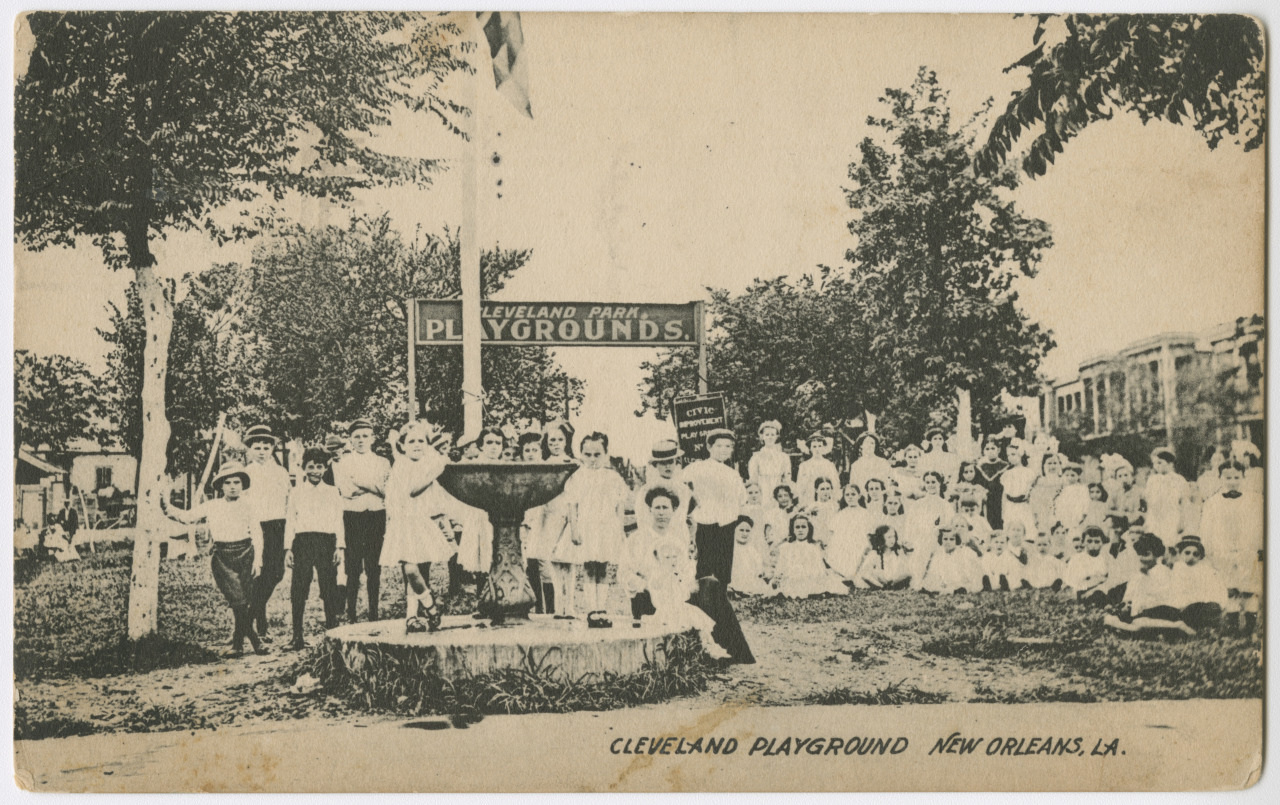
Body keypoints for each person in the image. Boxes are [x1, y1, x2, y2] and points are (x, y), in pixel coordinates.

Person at [160, 463, 266, 656]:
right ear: (220, 486)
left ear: (243, 485)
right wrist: (166, 506)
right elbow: (187, 517)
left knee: (245, 602)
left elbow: (257, 534)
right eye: (228, 482)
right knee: (238, 601)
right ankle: (252, 641)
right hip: (223, 557)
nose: (233, 486)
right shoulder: (212, 506)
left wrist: (258, 560)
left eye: (237, 482)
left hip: (246, 554)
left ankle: (239, 645)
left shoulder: (249, 506)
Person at [382, 420, 454, 634]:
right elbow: (413, 490)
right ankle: (431, 607)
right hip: (403, 523)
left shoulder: (426, 463)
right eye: (411, 441)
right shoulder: (402, 464)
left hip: (421, 522)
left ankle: (412, 617)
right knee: (410, 569)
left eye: (421, 441)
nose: (416, 445)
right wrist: (435, 471)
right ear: (402, 446)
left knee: (419, 570)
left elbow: (435, 497)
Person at [552, 431, 628, 627]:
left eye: (597, 454)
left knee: (602, 568)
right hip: (586, 526)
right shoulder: (577, 477)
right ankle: (591, 610)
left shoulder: (612, 477)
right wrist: (574, 530)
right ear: (581, 454)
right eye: (587, 455)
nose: (592, 459)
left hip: (606, 527)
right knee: (588, 566)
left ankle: (602, 608)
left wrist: (619, 529)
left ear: (605, 454)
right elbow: (572, 506)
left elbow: (620, 505)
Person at [283, 447, 344, 650]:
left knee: (329, 588)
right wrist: (288, 549)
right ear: (303, 468)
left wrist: (340, 547)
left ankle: (332, 635)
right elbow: (290, 520)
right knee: (299, 589)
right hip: (302, 542)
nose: (315, 471)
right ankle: (297, 637)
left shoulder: (333, 491)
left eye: (319, 467)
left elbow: (338, 521)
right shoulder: (296, 492)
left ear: (326, 468)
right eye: (311, 467)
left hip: (327, 542)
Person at [333, 419, 391, 623]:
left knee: (374, 566)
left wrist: (360, 483)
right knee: (353, 567)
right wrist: (373, 486)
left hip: (376, 516)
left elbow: (387, 491)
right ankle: (351, 614)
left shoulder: (383, 462)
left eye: (365, 436)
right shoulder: (343, 463)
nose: (361, 440)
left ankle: (373, 612)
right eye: (357, 436)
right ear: (350, 440)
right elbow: (347, 491)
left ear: (373, 438)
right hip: (353, 517)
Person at [240, 425, 292, 642]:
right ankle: (261, 627)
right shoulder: (245, 473)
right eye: (257, 447)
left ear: (272, 449)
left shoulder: (280, 472)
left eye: (266, 447)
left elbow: (289, 501)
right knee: (257, 575)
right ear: (249, 450)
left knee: (276, 573)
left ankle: (245, 623)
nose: (261, 451)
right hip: (254, 527)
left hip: (277, 526)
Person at [1198, 460, 1263, 634]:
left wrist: (1261, 547)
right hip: (1222, 550)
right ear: (1220, 478)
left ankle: (1250, 626)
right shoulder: (1212, 502)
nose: (1232, 481)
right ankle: (1233, 625)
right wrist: (1208, 549)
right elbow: (1206, 528)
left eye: (1236, 477)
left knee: (1249, 588)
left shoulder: (1255, 499)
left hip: (1247, 550)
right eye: (1228, 477)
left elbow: (1261, 524)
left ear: (1243, 477)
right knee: (1230, 588)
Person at [680, 429, 748, 586]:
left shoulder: (733, 474)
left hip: (727, 522)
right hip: (705, 521)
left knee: (724, 564)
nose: (723, 450)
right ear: (709, 447)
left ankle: (720, 597)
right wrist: (695, 504)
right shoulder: (697, 467)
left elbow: (741, 498)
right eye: (719, 446)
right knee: (704, 562)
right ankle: (704, 599)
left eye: (728, 446)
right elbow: (682, 486)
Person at [1102, 533, 1190, 636]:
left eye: (1146, 554)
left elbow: (1163, 597)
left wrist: (1141, 604)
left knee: (1139, 622)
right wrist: (1126, 605)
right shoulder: (1137, 575)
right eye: (1139, 554)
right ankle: (1135, 629)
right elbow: (1129, 596)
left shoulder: (1162, 571)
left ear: (1157, 555)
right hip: (1139, 614)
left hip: (1160, 610)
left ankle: (1177, 626)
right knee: (1108, 618)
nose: (1141, 558)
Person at [517, 431, 555, 613]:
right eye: (527, 450)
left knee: (546, 566)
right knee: (530, 563)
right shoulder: (519, 474)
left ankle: (552, 608)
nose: (531, 453)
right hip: (526, 522)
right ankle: (538, 607)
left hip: (544, 521)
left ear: (541, 451)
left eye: (534, 449)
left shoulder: (546, 471)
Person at [633, 440, 693, 545]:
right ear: (656, 465)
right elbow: (642, 519)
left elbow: (688, 515)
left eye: (670, 462)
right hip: (656, 538)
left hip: (679, 536)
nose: (667, 467)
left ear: (676, 462)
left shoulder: (684, 489)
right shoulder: (647, 490)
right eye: (663, 463)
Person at [773, 513, 847, 598]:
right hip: (792, 576)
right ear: (793, 530)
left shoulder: (813, 547)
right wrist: (778, 576)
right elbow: (781, 565)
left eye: (803, 527)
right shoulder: (787, 547)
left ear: (809, 529)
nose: (800, 530)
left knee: (819, 583)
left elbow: (819, 567)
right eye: (797, 527)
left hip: (810, 576)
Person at [1167, 535, 1228, 631]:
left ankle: (1202, 626)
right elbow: (1172, 593)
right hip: (1180, 608)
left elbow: (1216, 592)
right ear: (1180, 553)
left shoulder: (1205, 570)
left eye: (1196, 554)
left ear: (1200, 557)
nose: (1191, 556)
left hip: (1199, 606)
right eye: (1187, 553)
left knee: (1208, 608)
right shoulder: (1177, 569)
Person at [914, 517, 980, 594]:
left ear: (956, 541)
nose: (948, 542)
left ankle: (957, 589)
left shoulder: (961, 553)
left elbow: (963, 572)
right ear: (941, 540)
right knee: (931, 583)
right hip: (943, 580)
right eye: (945, 539)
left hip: (957, 579)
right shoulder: (939, 553)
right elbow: (935, 571)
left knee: (962, 584)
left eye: (951, 539)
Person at [1143, 448, 1189, 545]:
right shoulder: (1152, 480)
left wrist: (1182, 521)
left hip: (1172, 517)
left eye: (1160, 463)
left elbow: (1185, 502)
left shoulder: (1179, 480)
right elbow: (1148, 501)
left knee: (1170, 542)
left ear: (1170, 463)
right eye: (1154, 463)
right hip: (1155, 518)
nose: (1156, 466)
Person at [1063, 525, 1111, 605]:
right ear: (1083, 542)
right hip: (1083, 595)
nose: (1093, 545)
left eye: (1097, 541)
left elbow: (1111, 580)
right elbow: (1071, 584)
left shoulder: (1107, 559)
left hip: (1104, 593)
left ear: (1102, 543)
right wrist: (1095, 581)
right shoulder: (1076, 559)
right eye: (1089, 541)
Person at [852, 524, 910, 590]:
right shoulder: (874, 553)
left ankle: (891, 586)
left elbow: (904, 568)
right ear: (881, 538)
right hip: (880, 580)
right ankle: (881, 587)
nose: (892, 540)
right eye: (889, 537)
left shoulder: (897, 552)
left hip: (894, 579)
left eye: (894, 536)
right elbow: (865, 572)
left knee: (908, 573)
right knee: (867, 574)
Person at [729, 515, 773, 596]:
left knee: (759, 586)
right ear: (734, 531)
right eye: (741, 530)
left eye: (747, 531)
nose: (744, 533)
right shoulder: (730, 549)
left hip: (749, 579)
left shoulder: (752, 550)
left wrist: (761, 573)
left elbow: (758, 568)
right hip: (734, 578)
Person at [972, 437, 1010, 529]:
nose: (990, 451)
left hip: (1000, 499)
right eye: (987, 449)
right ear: (983, 451)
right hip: (985, 500)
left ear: (999, 450)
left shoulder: (1005, 466)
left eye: (993, 448)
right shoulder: (979, 466)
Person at [794, 431, 839, 507]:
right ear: (810, 449)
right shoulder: (804, 465)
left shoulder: (829, 464)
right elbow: (800, 486)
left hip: (825, 496)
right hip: (809, 496)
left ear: (823, 447)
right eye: (814, 446)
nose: (817, 449)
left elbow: (835, 484)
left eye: (819, 446)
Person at [748, 419, 792, 493]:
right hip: (762, 489)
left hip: (779, 488)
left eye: (772, 435)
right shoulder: (756, 457)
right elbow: (753, 478)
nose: (770, 437)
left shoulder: (784, 457)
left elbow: (787, 477)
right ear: (762, 436)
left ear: (776, 436)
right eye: (767, 435)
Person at [1029, 452, 1066, 535]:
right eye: (1049, 463)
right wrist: (1035, 517)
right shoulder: (1040, 482)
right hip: (1043, 514)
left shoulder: (1063, 481)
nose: (1052, 466)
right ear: (1043, 465)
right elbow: (1034, 502)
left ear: (1060, 465)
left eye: (1055, 463)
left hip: (1060, 513)